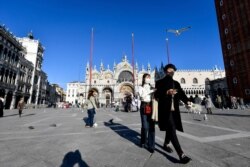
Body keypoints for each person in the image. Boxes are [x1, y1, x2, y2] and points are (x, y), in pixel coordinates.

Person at [155, 64, 192, 164]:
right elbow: (156, 94)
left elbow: (182, 94)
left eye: (173, 70)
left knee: (171, 127)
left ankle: (166, 144)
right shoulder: (160, 82)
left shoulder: (176, 83)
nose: (172, 71)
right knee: (171, 128)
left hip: (174, 110)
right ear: (166, 71)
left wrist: (187, 101)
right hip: (164, 109)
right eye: (171, 70)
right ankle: (181, 154)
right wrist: (167, 92)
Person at [138, 73, 156, 153]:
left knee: (151, 126)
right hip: (144, 106)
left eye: (149, 77)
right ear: (143, 78)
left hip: (151, 106)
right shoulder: (140, 87)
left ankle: (151, 145)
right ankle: (143, 141)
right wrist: (151, 91)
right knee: (145, 126)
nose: (148, 78)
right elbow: (142, 96)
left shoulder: (152, 87)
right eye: (147, 77)